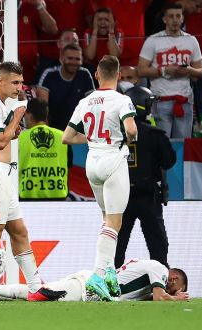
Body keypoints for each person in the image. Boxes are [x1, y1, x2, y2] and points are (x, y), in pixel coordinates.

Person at [0, 62, 67, 302]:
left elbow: (6, 136)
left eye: (21, 82)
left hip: (4, 173)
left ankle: (35, 287)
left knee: (19, 231)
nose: (19, 87)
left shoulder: (0, 104)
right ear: (1, 81)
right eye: (15, 82)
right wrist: (17, 118)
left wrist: (13, 126)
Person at [62, 55, 138, 301]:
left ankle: (108, 274)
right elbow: (132, 129)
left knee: (107, 220)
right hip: (113, 161)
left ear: (96, 74)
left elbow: (67, 137)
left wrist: (93, 139)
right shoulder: (122, 99)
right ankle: (98, 274)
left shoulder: (85, 102)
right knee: (114, 222)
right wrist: (128, 141)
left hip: (92, 163)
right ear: (117, 75)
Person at [116, 86, 176, 268]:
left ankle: (110, 285)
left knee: (116, 246)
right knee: (157, 245)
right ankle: (160, 285)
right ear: (141, 107)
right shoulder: (155, 135)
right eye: (149, 104)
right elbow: (168, 161)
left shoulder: (116, 134)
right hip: (149, 198)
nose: (152, 108)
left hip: (121, 199)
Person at [0, 259, 189, 302]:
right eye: (177, 288)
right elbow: (161, 297)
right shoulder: (159, 270)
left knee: (39, 296)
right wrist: (178, 300)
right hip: (87, 287)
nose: (174, 292)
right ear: (174, 278)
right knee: (40, 293)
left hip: (90, 289)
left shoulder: (147, 288)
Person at [137, 3, 202, 138]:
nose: (175, 19)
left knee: (184, 145)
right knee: (162, 145)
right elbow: (141, 70)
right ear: (164, 19)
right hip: (160, 101)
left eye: (178, 16)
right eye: (171, 16)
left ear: (182, 19)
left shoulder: (191, 40)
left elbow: (200, 71)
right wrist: (163, 71)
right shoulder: (153, 40)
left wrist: (189, 70)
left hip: (184, 101)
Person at [18, 98, 69, 199]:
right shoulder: (63, 136)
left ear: (29, 115)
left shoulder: (19, 138)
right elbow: (69, 165)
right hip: (58, 195)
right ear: (46, 115)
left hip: (28, 195)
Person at [38, 44, 96, 131]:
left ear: (82, 60)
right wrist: (48, 133)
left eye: (77, 59)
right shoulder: (49, 74)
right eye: (70, 58)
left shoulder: (85, 74)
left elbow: (93, 105)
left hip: (78, 131)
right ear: (61, 59)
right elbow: (42, 109)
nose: (73, 62)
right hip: (54, 129)